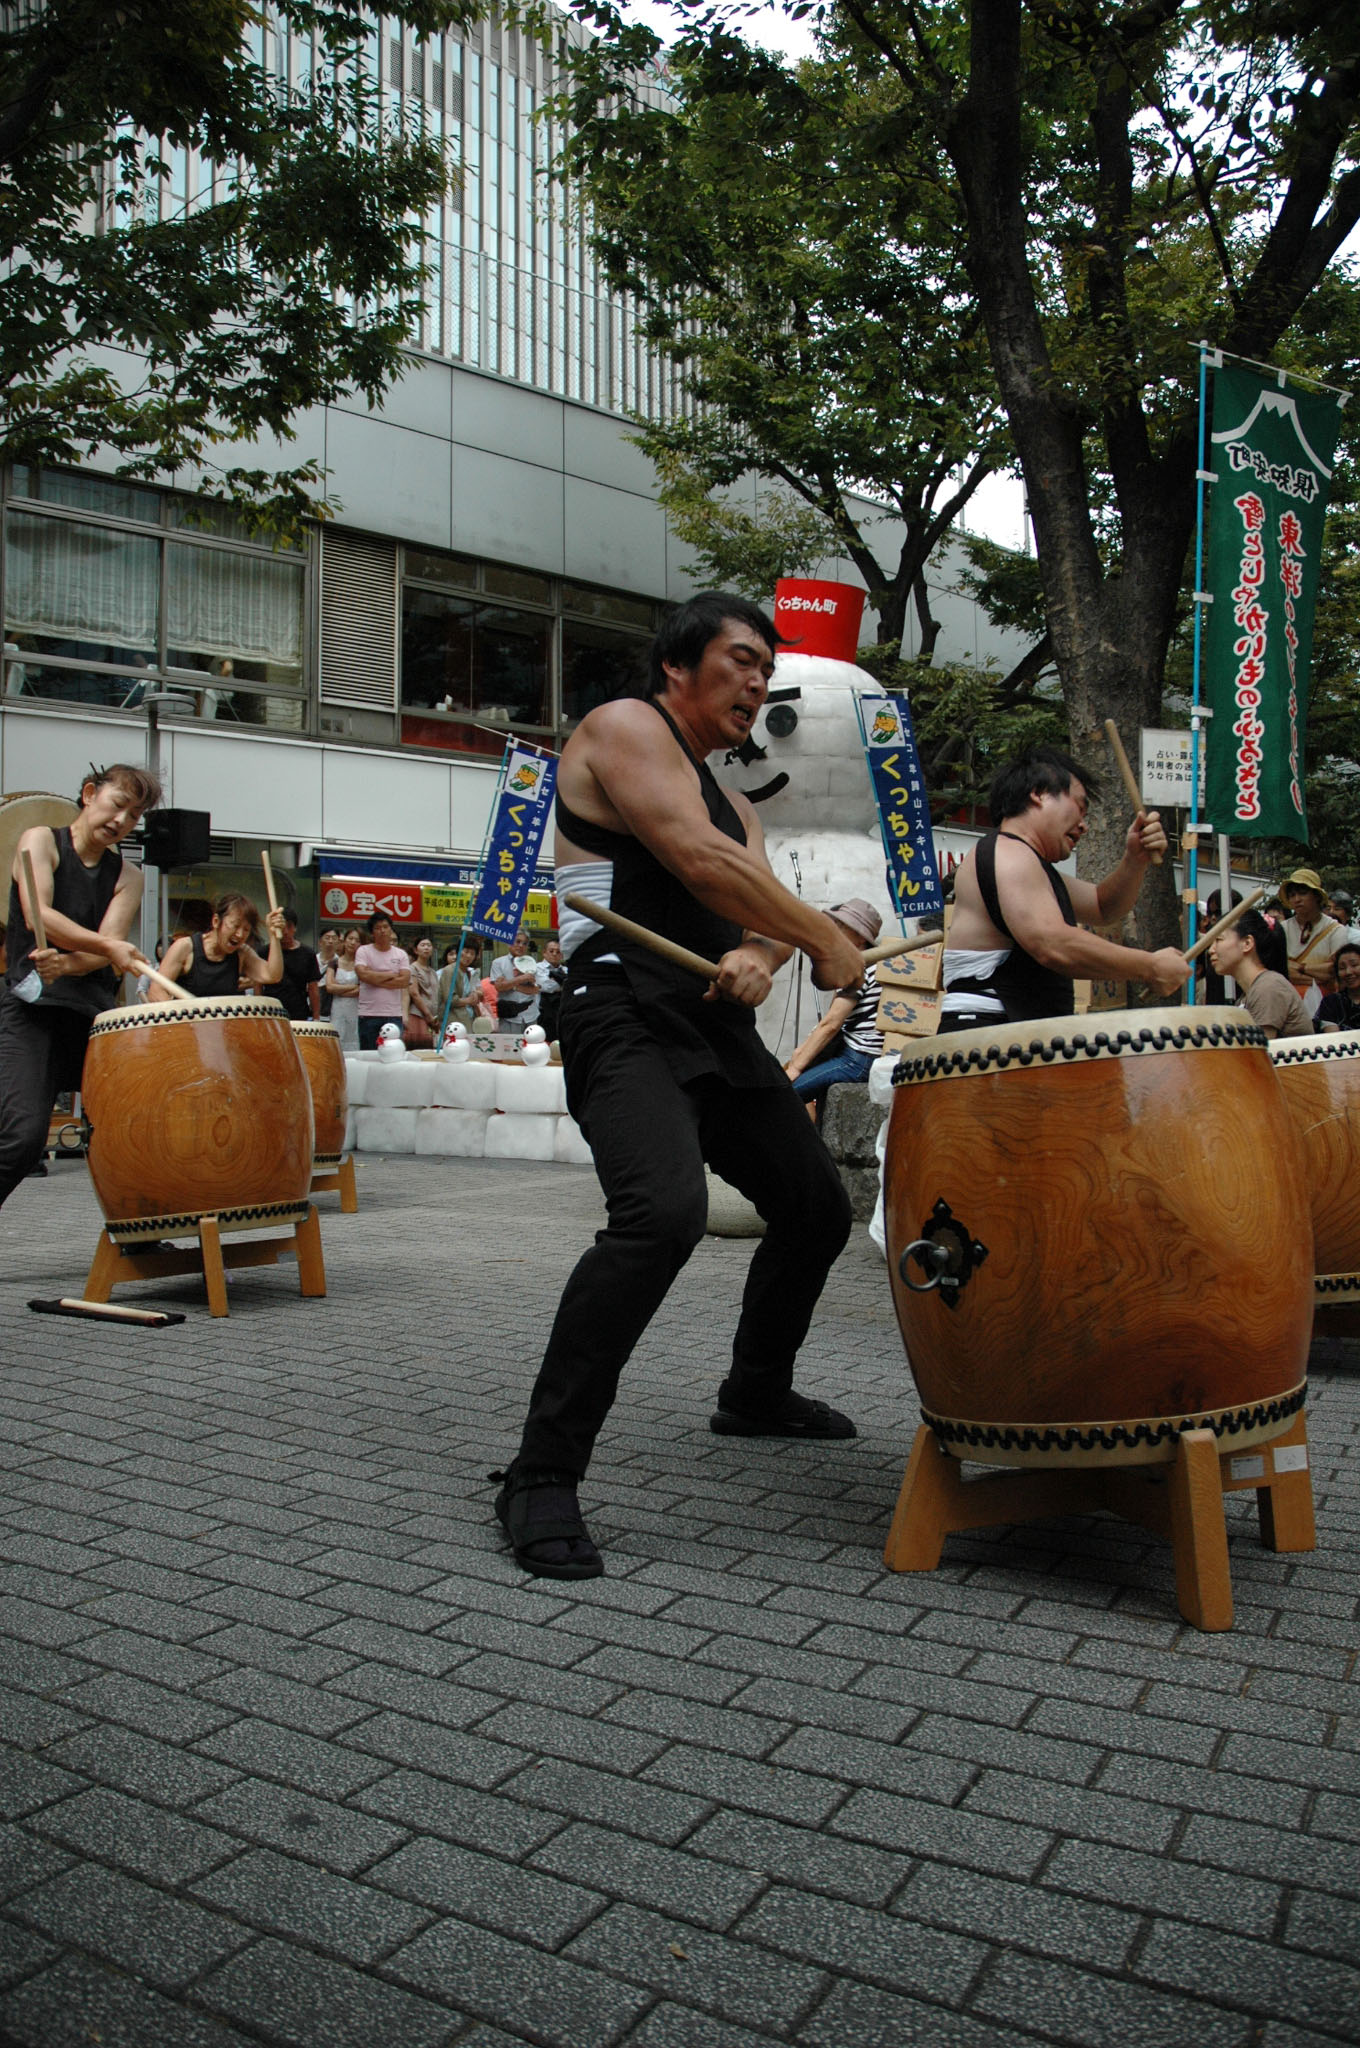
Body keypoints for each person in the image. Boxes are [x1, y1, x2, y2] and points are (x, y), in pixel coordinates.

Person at [493, 591, 866, 1582]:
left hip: (710, 1023)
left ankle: (755, 1392)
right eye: (741, 659)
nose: (758, 682)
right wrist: (817, 937)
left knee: (815, 1208)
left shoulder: (738, 804)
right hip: (619, 1009)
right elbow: (697, 864)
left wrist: (762, 951)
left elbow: (755, 912)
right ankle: (540, 1472)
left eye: (767, 669)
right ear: (676, 666)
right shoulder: (622, 728)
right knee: (661, 1215)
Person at [0, 763, 162, 1212]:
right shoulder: (39, 841)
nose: (122, 821)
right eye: (118, 805)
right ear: (90, 793)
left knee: (128, 1133)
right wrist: (107, 947)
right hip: (30, 1008)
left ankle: (140, 1237)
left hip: (93, 1016)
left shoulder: (128, 876)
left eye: (134, 816)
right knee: (23, 1136)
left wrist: (69, 963)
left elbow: (103, 952)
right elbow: (39, 915)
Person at [940, 744, 1190, 1029]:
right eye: (1080, 808)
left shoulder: (1030, 865)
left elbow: (1103, 907)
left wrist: (1135, 859)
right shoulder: (1009, 854)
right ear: (1039, 793)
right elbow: (1052, 943)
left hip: (1012, 1031)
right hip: (987, 1030)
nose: (1083, 826)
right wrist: (1149, 966)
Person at [783, 899, 885, 1121]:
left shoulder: (859, 970)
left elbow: (831, 1024)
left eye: (841, 927)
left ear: (860, 938)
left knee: (784, 1095)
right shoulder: (873, 965)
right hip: (861, 1056)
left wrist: (795, 1068)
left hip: (857, 1060)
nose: (835, 932)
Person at [1210, 908, 1313, 1040]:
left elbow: (1258, 1050)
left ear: (1247, 943)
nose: (1211, 950)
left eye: (1219, 939)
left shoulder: (1268, 987)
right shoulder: (1249, 994)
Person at [160, 893, 285, 998]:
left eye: (246, 929)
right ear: (216, 921)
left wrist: (274, 936)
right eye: (235, 926)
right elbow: (157, 991)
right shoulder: (185, 948)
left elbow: (272, 975)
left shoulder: (242, 953)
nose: (240, 934)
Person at [1280, 868, 1346, 1008]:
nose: (1297, 899)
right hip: (1287, 1003)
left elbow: (1332, 971)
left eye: (1303, 893)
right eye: (1292, 895)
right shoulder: (1282, 929)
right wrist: (1317, 975)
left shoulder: (1335, 930)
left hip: (1325, 1006)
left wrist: (1298, 967)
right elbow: (1280, 971)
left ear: (1316, 895)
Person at [355, 911, 409, 1050]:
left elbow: (404, 981)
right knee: (369, 1054)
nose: (382, 931)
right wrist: (391, 974)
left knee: (393, 1053)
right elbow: (362, 975)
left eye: (385, 927)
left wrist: (372, 976)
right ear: (372, 932)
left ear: (391, 929)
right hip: (368, 1014)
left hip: (393, 1015)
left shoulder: (401, 954)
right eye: (378, 928)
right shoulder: (363, 951)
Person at [271, 908, 321, 1021]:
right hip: (272, 1011)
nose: (285, 931)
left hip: (298, 1012)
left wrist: (316, 1017)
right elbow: (258, 985)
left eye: (289, 926)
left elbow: (313, 988)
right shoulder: (265, 952)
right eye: (282, 927)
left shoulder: (308, 954)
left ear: (295, 928)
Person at [490, 928, 539, 1031]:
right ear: (509, 943)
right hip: (508, 1015)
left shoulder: (531, 963)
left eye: (525, 943)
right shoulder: (498, 963)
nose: (521, 946)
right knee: (508, 1041)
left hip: (530, 1013)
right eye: (517, 942)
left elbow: (536, 989)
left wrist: (512, 985)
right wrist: (522, 978)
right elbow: (499, 987)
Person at [437, 934, 482, 1035]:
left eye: (472, 954)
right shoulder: (449, 970)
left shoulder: (468, 972)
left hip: (468, 1018)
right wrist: (468, 1000)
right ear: (458, 952)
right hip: (454, 1022)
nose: (468, 956)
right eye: (466, 951)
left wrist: (475, 995)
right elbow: (449, 999)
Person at [325, 927, 362, 1049]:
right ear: (344, 941)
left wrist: (339, 989)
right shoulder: (334, 963)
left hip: (355, 1009)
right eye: (350, 939)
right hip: (337, 1008)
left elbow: (362, 990)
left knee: (354, 1039)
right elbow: (330, 987)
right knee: (336, 1039)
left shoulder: (361, 965)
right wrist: (353, 986)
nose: (353, 942)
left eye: (357, 940)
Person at [1315, 943, 1360, 1033]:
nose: (1348, 972)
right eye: (1342, 968)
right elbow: (1333, 1038)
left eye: (1354, 965)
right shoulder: (1331, 1002)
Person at [407, 935, 439, 1047]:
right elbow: (414, 993)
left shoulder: (433, 972)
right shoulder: (412, 968)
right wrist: (427, 1014)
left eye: (429, 945)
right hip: (418, 1014)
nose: (426, 948)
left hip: (433, 1017)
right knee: (419, 1046)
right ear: (416, 950)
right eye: (423, 945)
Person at [535, 935, 566, 1042]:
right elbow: (546, 986)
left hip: (563, 1014)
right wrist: (563, 982)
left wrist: (557, 982)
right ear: (544, 952)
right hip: (543, 1014)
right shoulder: (537, 968)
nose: (554, 954)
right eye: (551, 951)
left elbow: (572, 987)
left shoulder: (566, 970)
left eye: (558, 952)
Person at [317, 928, 341, 1016]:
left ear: (338, 943)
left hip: (333, 1007)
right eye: (327, 938)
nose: (330, 941)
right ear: (320, 942)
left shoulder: (340, 963)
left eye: (334, 938)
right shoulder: (312, 960)